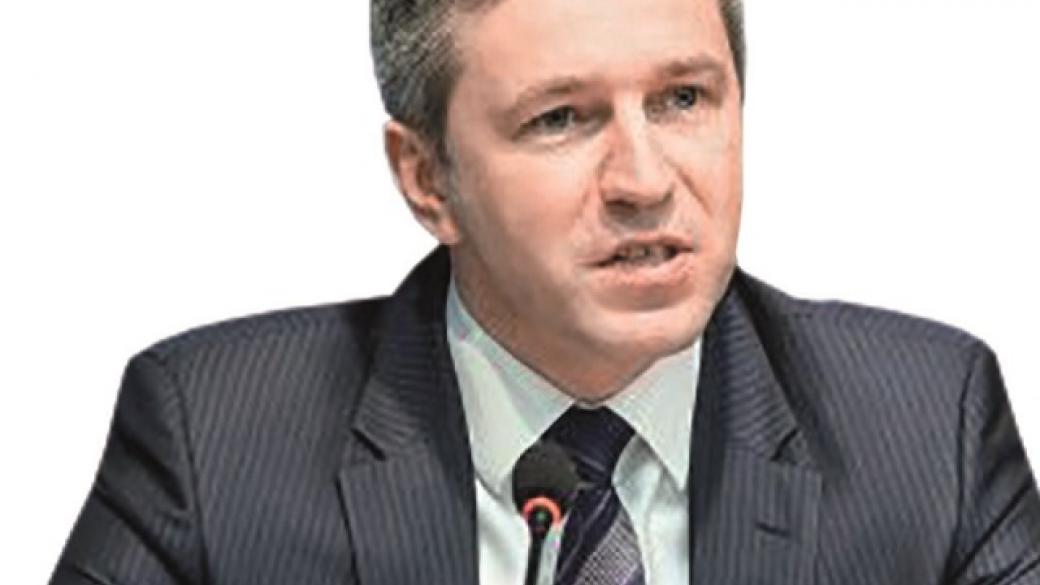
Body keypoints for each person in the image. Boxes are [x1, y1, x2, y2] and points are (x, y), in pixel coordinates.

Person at [49, 0, 1040, 583]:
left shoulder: (926, 430)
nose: (643, 180)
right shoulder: (214, 441)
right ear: (427, 180)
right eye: (561, 119)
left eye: (682, 99)